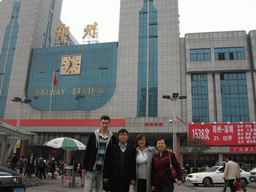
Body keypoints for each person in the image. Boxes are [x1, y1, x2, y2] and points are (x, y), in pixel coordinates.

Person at [81, 115, 118, 192]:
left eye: (106, 123)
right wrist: (84, 166)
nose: (104, 125)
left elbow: (112, 157)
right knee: (87, 190)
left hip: (102, 171)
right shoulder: (93, 135)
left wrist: (108, 173)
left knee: (99, 190)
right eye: (103, 123)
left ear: (109, 124)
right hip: (91, 169)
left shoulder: (112, 138)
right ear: (100, 123)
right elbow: (87, 151)